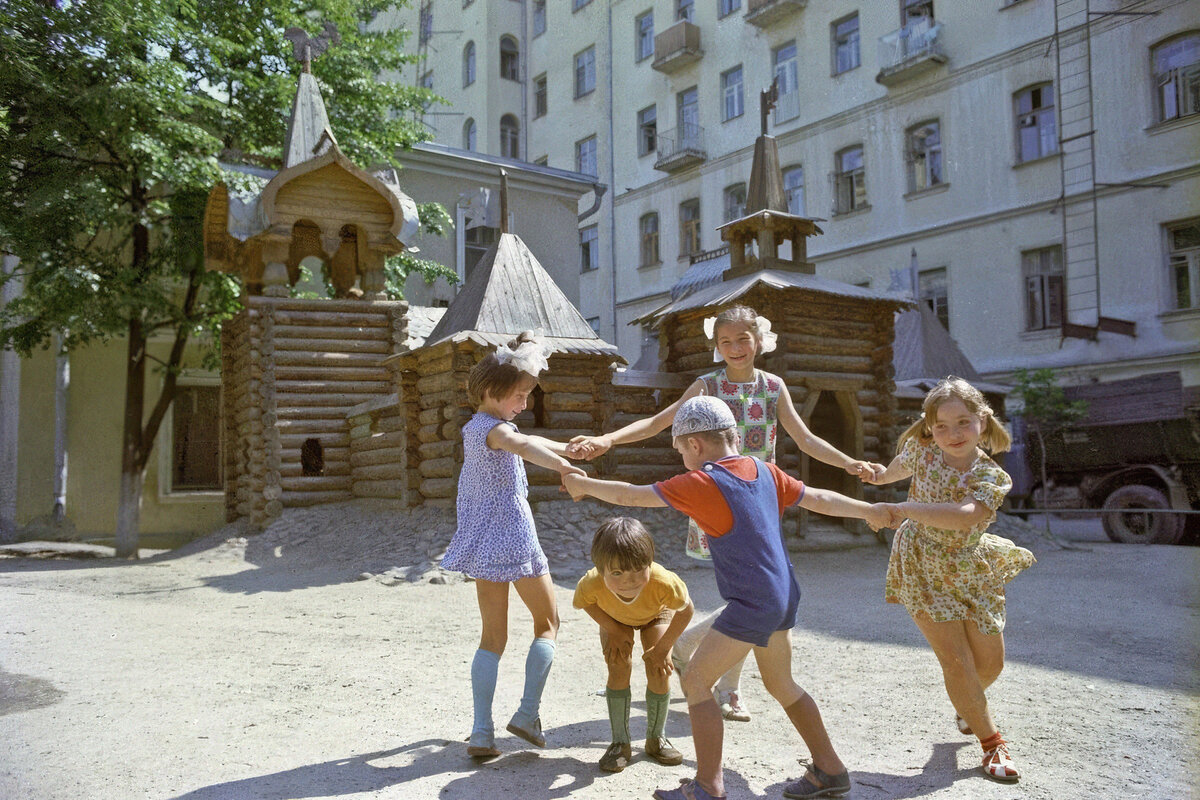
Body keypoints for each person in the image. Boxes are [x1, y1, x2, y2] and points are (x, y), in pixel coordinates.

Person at [564, 396, 890, 800]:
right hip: (785, 593)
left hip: (753, 601)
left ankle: (707, 787)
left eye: (681, 448)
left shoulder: (703, 482)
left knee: (697, 679)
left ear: (695, 444)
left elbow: (630, 495)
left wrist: (582, 485)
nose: (682, 455)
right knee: (782, 682)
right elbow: (820, 498)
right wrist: (869, 510)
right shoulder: (765, 470)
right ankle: (830, 770)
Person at [568, 305, 880, 723]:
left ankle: (712, 670)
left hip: (761, 497)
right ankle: (727, 684)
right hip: (714, 497)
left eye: (743, 339)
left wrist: (848, 463)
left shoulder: (773, 386)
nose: (735, 348)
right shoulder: (707, 385)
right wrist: (608, 440)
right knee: (749, 594)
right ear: (716, 346)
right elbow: (660, 422)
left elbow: (805, 439)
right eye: (725, 341)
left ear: (759, 341)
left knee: (751, 594)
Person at [863, 376, 1035, 784]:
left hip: (970, 565)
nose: (952, 434)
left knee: (990, 663)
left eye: (963, 422)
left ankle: (967, 707)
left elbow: (966, 515)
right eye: (942, 425)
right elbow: (890, 474)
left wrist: (902, 506)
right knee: (956, 661)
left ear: (982, 420)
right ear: (929, 428)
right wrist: (873, 476)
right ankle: (993, 745)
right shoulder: (920, 451)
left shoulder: (992, 476)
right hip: (922, 561)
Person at [441, 331, 585, 760]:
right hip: (515, 538)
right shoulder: (500, 432)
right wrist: (564, 465)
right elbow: (523, 443)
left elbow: (527, 441)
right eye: (519, 396)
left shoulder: (476, 428)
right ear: (492, 391)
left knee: (492, 638)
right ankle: (526, 713)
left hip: (485, 543)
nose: (524, 403)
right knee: (548, 623)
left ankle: (482, 732)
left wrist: (569, 448)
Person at [573, 517, 696, 773]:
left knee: (659, 670)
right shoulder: (592, 582)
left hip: (655, 615)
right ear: (601, 568)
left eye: (639, 569)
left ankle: (656, 738)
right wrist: (614, 629)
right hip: (615, 618)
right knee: (618, 666)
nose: (629, 580)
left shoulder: (663, 582)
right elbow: (584, 602)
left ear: (649, 562)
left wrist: (663, 650)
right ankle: (620, 743)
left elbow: (686, 610)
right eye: (617, 573)